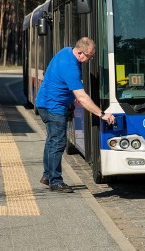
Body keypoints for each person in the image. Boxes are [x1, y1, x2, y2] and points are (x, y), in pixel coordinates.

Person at [36, 37, 115, 193]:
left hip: (46, 102)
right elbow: (82, 98)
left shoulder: (66, 51)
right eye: (89, 56)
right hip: (54, 106)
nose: (89, 59)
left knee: (51, 141)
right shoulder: (70, 67)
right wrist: (102, 114)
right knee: (58, 143)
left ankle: (47, 175)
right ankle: (56, 181)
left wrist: (68, 101)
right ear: (79, 52)